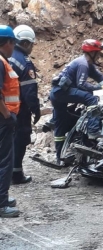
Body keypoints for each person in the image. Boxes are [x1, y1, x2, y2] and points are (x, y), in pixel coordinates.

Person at [50, 39, 103, 164]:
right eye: (97, 53)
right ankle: (93, 130)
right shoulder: (83, 64)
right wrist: (98, 88)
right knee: (92, 99)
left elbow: (100, 77)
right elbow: (81, 84)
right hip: (61, 92)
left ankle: (60, 159)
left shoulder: (87, 64)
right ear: (92, 53)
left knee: (60, 126)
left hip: (57, 94)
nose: (99, 56)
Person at [9, 25, 40, 184]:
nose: (32, 48)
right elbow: (29, 91)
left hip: (6, 108)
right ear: (26, 43)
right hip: (19, 109)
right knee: (20, 139)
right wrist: (36, 109)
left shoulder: (7, 56)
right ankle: (16, 174)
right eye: (32, 44)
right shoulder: (24, 62)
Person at [0, 25, 20, 218]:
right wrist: (7, 115)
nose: (14, 47)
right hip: (3, 119)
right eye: (13, 43)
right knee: (5, 161)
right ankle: (1, 203)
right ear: (6, 43)